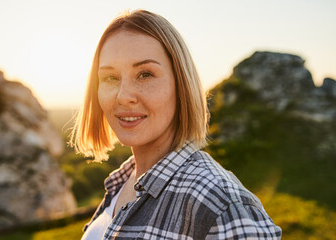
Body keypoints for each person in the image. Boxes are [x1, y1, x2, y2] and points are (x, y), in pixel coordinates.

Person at [72, 9, 282, 240]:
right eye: (111, 77)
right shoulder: (121, 183)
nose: (123, 96)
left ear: (180, 83)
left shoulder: (223, 207)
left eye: (145, 74)